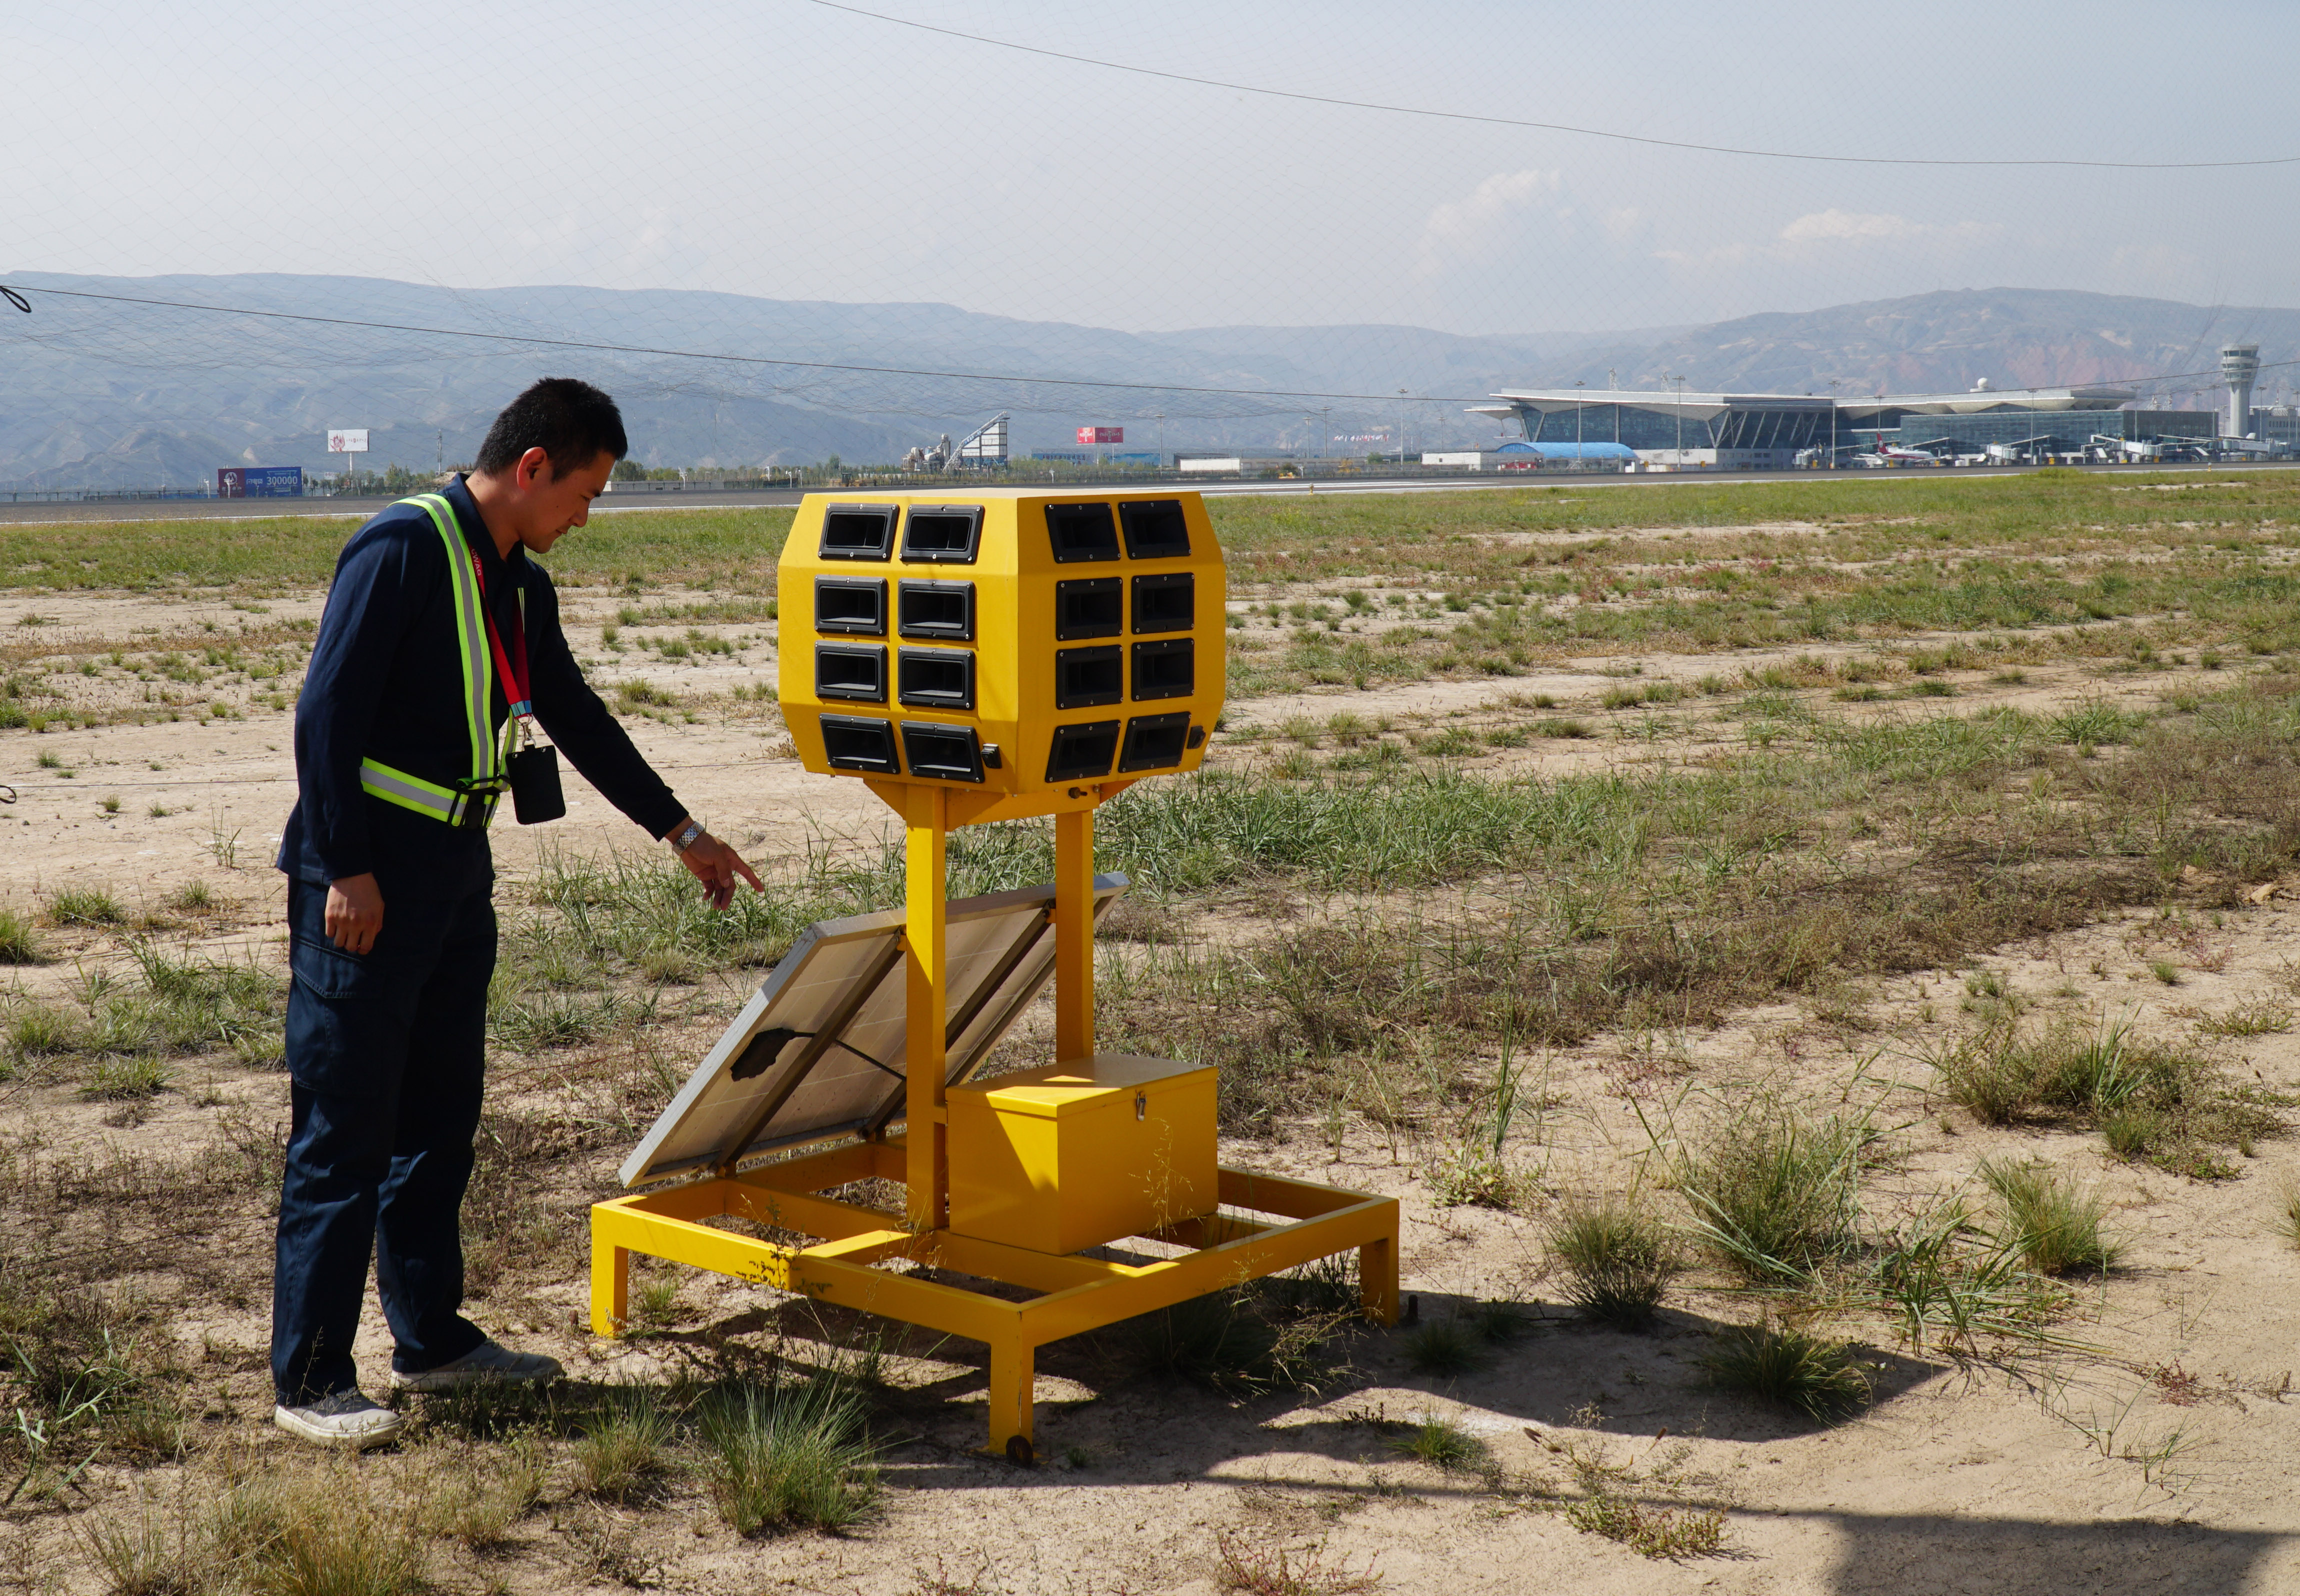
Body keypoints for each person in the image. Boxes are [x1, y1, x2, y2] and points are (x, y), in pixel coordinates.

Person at [271, 378, 762, 1447]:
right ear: (533, 467)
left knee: (439, 1121)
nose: (584, 518)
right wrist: (345, 868)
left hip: (454, 872)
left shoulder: (517, 583)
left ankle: (432, 1342)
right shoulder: (400, 550)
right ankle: (309, 1379)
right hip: (365, 886)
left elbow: (574, 714)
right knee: (345, 1130)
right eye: (583, 493)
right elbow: (325, 716)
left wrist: (679, 832)